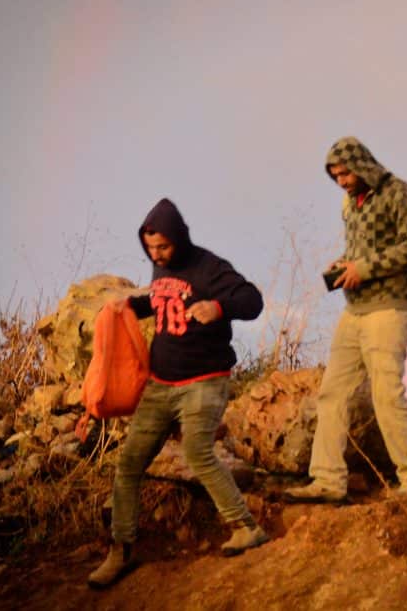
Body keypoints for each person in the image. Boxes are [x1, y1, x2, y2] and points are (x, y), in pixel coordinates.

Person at [88, 198, 268, 589]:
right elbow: (161, 300)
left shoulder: (210, 267)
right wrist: (128, 307)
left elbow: (253, 300)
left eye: (163, 247)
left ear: (180, 238)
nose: (157, 254)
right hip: (161, 383)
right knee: (129, 463)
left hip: (205, 380)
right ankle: (121, 550)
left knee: (197, 451)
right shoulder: (160, 266)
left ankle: (245, 527)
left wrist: (218, 308)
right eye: (150, 248)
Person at [284, 137, 407, 504]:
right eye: (335, 176)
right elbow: (361, 250)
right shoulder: (350, 203)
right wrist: (344, 264)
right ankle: (327, 480)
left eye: (346, 173)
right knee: (332, 392)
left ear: (363, 164)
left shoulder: (401, 194)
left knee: (386, 394)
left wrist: (364, 269)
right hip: (354, 312)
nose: (342, 181)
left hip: (389, 309)